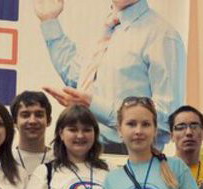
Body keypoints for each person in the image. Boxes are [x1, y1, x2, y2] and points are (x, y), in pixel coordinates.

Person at [34, 0, 186, 153]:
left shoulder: (162, 35)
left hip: (130, 156)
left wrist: (94, 106)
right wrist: (49, 21)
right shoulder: (108, 27)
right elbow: (79, 79)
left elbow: (166, 115)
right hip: (86, 151)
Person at [12, 91, 54, 174]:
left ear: (49, 121)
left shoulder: (59, 160)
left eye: (39, 115)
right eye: (25, 115)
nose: (32, 121)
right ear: (14, 122)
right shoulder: (6, 160)